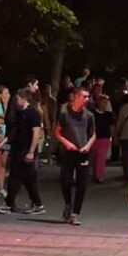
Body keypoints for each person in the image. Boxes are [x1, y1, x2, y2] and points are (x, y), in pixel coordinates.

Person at [53, 85, 95, 225]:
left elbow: (93, 135)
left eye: (88, 97)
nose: (87, 99)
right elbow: (57, 132)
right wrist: (66, 143)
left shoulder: (89, 115)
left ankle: (75, 213)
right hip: (68, 152)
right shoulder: (65, 114)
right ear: (76, 96)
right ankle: (68, 204)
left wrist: (87, 146)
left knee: (82, 183)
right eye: (84, 96)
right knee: (66, 181)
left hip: (83, 153)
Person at [3, 82, 45, 215]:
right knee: (27, 179)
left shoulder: (33, 113)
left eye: (17, 99)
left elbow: (36, 133)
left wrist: (31, 151)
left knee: (15, 177)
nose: (15, 102)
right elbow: (15, 131)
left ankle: (9, 204)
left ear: (24, 99)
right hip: (18, 148)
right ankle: (38, 204)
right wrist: (4, 142)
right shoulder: (21, 114)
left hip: (25, 150)